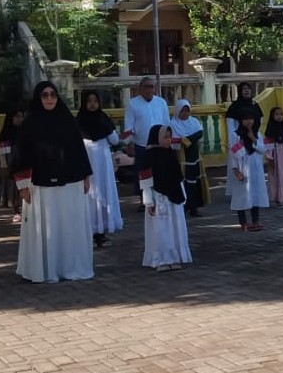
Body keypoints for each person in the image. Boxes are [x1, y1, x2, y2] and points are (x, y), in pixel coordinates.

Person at [13, 81, 94, 283]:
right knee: (46, 228)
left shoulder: (68, 120)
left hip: (70, 183)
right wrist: (22, 186)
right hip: (40, 186)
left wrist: (85, 176)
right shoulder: (30, 124)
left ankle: (69, 267)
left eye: (53, 94)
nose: (49, 99)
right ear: (38, 98)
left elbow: (78, 150)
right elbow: (20, 154)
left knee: (68, 226)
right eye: (45, 95)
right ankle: (46, 270)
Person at [141, 125, 191, 271]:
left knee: (174, 228)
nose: (169, 140)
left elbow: (178, 176)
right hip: (158, 197)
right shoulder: (148, 156)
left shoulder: (171, 153)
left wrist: (182, 194)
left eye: (170, 137)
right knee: (160, 229)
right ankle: (161, 260)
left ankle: (174, 258)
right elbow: (145, 181)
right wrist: (148, 201)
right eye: (165, 137)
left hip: (174, 197)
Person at [77, 90, 123, 247]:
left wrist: (108, 129)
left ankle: (100, 233)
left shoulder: (103, 118)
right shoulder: (79, 121)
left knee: (102, 192)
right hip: (87, 161)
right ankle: (87, 232)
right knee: (89, 194)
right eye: (89, 101)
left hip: (102, 163)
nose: (92, 104)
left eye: (95, 101)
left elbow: (114, 140)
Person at [122, 77, 170, 207]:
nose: (149, 89)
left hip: (159, 144)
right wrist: (129, 144)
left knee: (160, 172)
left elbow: (166, 122)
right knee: (143, 173)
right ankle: (144, 201)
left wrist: (168, 141)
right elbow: (129, 125)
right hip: (141, 144)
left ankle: (160, 199)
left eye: (151, 86)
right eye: (146, 86)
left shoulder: (161, 102)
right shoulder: (133, 104)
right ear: (140, 88)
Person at [229, 109, 269, 231]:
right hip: (242, 166)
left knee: (255, 193)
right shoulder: (236, 135)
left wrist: (253, 139)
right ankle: (243, 222)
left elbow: (262, 149)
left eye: (251, 119)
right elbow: (232, 153)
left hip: (255, 166)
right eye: (246, 119)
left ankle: (255, 220)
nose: (249, 122)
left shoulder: (257, 134)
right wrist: (235, 170)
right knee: (241, 194)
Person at [169, 99, 209, 217]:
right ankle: (183, 206)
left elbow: (199, 133)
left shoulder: (194, 122)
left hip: (194, 155)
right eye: (182, 111)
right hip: (181, 156)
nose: (185, 113)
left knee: (194, 181)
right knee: (183, 181)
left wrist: (186, 140)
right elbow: (173, 140)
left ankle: (194, 207)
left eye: (187, 110)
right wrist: (186, 140)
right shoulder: (172, 124)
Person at [225, 82, 264, 198]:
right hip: (239, 140)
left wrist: (254, 134)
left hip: (253, 138)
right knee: (238, 165)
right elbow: (230, 125)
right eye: (244, 89)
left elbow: (260, 121)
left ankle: (255, 193)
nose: (246, 91)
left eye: (248, 88)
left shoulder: (255, 105)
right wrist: (235, 139)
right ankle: (237, 194)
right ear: (240, 91)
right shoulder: (234, 107)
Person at [0, 107, 25, 223]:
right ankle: (16, 211)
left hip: (24, 163)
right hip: (12, 165)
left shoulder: (25, 131)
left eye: (22, 116)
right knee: (13, 189)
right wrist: (5, 166)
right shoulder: (6, 133)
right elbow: (3, 153)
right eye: (17, 116)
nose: (20, 119)